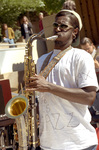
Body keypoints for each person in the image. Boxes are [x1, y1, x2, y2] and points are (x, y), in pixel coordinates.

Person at [27, 10, 98, 150]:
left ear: (75, 32)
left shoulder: (81, 57)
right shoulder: (41, 60)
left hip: (79, 144)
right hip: (49, 144)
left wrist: (49, 87)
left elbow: (89, 97)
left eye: (63, 26)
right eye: (55, 24)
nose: (57, 28)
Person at [80, 37, 99, 120]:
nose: (87, 51)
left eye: (88, 48)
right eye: (84, 50)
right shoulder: (84, 58)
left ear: (92, 45)